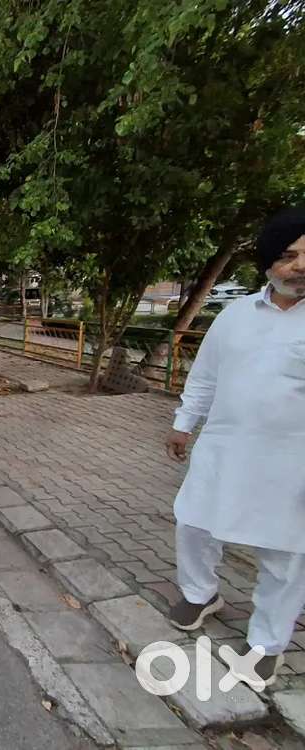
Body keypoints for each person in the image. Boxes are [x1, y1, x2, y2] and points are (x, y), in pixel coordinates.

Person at [165, 207, 305, 688]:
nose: (300, 266)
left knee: (285, 554)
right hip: (224, 449)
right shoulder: (235, 315)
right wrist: (183, 425)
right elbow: (204, 377)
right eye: (288, 255)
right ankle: (200, 594)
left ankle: (266, 643)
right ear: (268, 262)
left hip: (292, 462)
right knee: (194, 522)